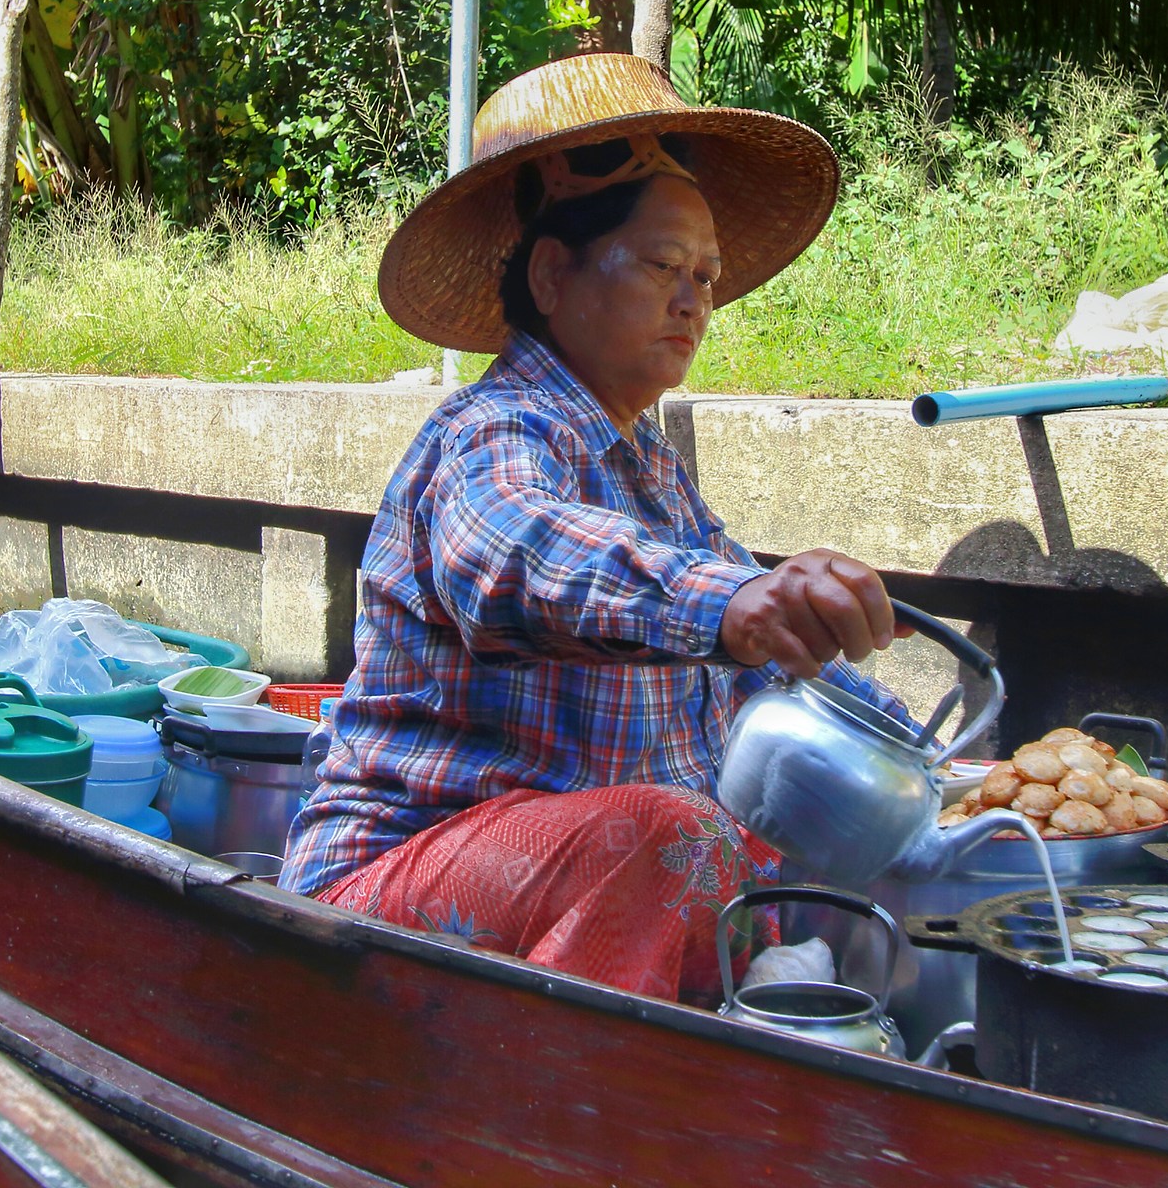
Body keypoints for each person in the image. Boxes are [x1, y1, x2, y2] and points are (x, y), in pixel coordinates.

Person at [282, 53, 916, 1003]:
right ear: (552, 274)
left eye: (705, 275)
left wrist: (931, 769)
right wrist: (735, 602)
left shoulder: (654, 477)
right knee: (678, 836)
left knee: (805, 835)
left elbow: (773, 666)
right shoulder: (488, 433)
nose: (694, 301)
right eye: (663, 266)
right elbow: (508, 550)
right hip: (391, 888)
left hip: (588, 906)